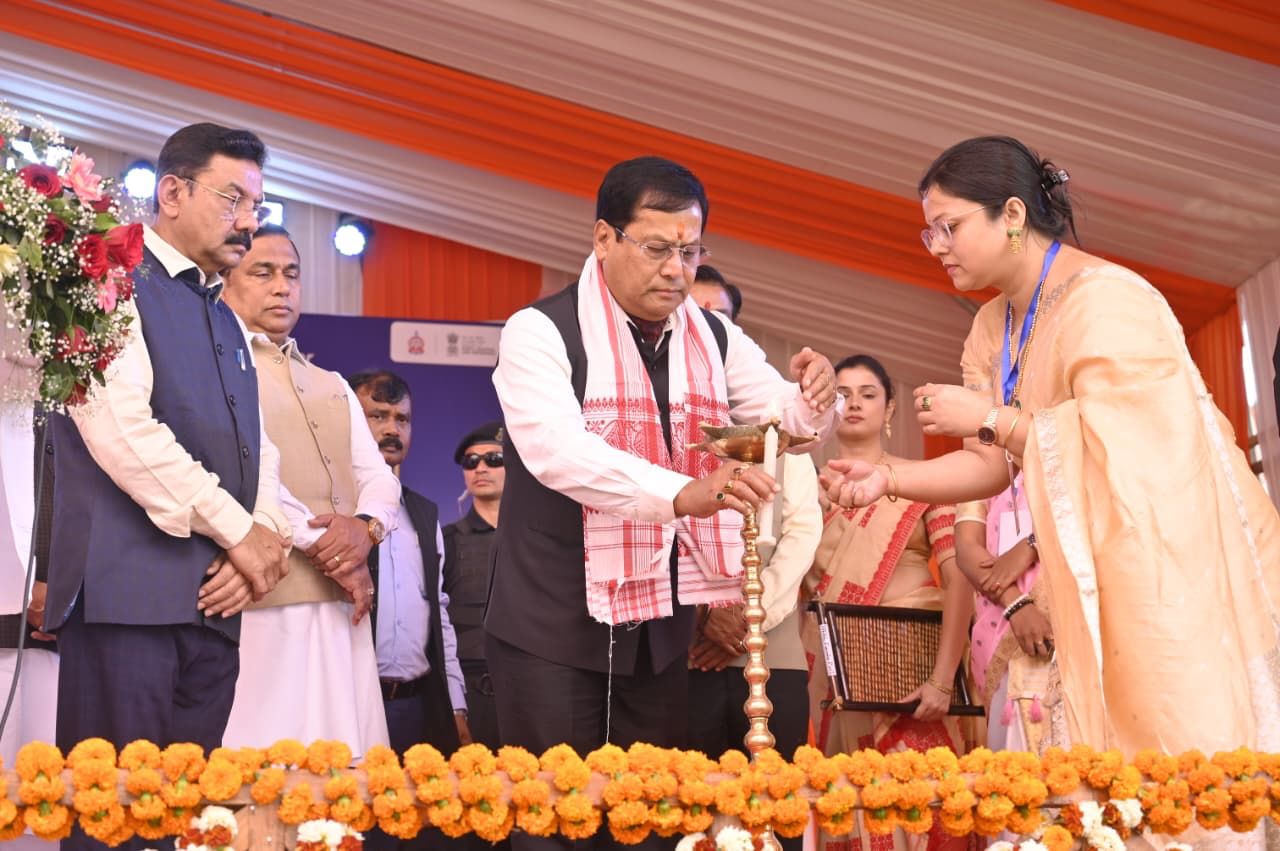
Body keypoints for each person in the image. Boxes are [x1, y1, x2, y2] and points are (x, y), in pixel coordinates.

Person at [825, 135, 1280, 762]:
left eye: (950, 227)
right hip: (1075, 570)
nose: (938, 248)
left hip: (1157, 563)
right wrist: (890, 477)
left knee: (1163, 748)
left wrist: (993, 418)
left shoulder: (1108, 299)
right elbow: (987, 467)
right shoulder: (991, 326)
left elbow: (1139, 452)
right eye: (930, 233)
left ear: (1011, 215)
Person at [487, 155, 840, 851]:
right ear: (604, 238)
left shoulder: (710, 334)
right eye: (657, 249)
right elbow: (557, 450)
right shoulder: (539, 330)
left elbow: (781, 416)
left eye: (690, 251)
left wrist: (813, 395)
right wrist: (682, 493)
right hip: (550, 626)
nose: (677, 270)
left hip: (657, 629)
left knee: (650, 824)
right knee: (551, 822)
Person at [44, 124, 289, 793]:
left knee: (189, 819)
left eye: (257, 205)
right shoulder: (109, 282)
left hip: (215, 608)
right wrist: (240, 533)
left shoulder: (227, 316)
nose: (249, 222)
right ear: (173, 192)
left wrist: (261, 541)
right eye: (233, 200)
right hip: (127, 605)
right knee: (116, 818)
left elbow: (259, 445)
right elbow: (123, 431)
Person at [219, 224, 396, 757]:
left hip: (341, 608)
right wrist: (339, 553)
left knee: (344, 765)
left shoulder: (333, 382)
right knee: (268, 767)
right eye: (263, 272)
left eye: (291, 274)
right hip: (268, 602)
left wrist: (367, 529)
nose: (282, 287)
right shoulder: (218, 368)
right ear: (225, 281)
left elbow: (378, 476)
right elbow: (253, 478)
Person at [802, 354, 971, 851]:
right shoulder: (805, 493)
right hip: (839, 682)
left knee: (922, 815)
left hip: (914, 678)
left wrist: (943, 679)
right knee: (852, 813)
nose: (854, 404)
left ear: (890, 408)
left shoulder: (924, 480)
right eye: (841, 395)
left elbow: (959, 578)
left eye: (868, 394)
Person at [349, 370, 468, 774]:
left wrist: (456, 704)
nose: (392, 429)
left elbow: (439, 614)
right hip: (350, 708)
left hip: (419, 708)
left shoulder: (425, 513)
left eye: (402, 419)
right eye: (377, 416)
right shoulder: (335, 509)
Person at [953, 475, 1053, 753]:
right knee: (1012, 762)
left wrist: (1032, 544)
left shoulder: (1074, 458)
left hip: (1068, 627)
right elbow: (967, 549)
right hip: (1002, 630)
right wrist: (1017, 605)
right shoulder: (986, 471)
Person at [442, 421, 506, 750]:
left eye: (493, 459)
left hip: (534, 688)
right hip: (472, 692)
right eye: (471, 461)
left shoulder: (537, 540)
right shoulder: (448, 541)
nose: (480, 468)